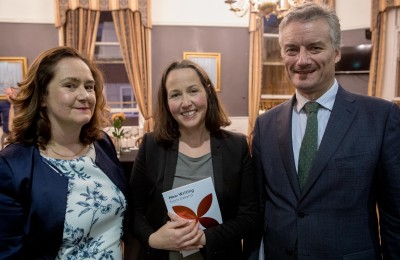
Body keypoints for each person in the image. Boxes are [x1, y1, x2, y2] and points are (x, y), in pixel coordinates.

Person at [252, 2, 400, 259]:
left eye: (314, 47)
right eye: (291, 50)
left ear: (336, 52)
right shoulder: (265, 125)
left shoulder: (380, 117)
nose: (302, 60)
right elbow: (260, 208)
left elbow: (395, 213)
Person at [0, 46, 129, 259]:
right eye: (70, 85)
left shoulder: (103, 144)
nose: (85, 95)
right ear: (42, 96)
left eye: (89, 87)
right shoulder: (13, 166)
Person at [130, 59, 261, 259]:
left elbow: (250, 216)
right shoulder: (151, 146)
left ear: (207, 92)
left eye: (193, 90)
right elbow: (133, 210)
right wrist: (152, 239)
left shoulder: (236, 146)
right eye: (175, 94)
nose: (186, 102)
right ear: (166, 102)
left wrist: (204, 239)